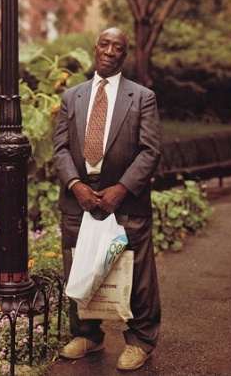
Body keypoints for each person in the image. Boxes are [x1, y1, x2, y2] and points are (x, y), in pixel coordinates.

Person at [53, 27, 162, 371]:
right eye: (105, 44)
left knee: (136, 273)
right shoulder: (73, 97)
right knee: (78, 265)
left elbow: (150, 150)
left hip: (125, 199)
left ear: (124, 55)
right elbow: (59, 149)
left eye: (118, 47)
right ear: (95, 47)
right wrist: (74, 184)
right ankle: (87, 335)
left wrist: (123, 188)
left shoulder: (141, 97)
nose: (110, 51)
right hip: (79, 198)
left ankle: (141, 340)